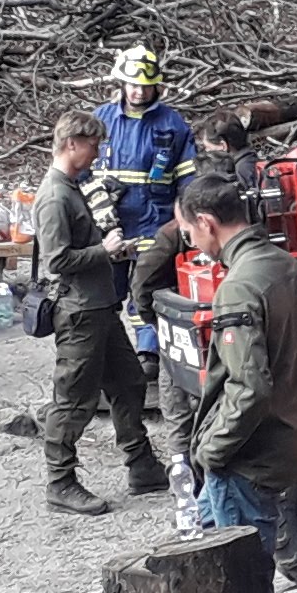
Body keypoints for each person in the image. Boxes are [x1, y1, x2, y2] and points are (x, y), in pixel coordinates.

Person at [176, 169, 297, 593]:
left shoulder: (239, 287)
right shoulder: (286, 267)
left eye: (190, 233)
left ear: (208, 223)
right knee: (228, 587)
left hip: (246, 460)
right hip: (282, 446)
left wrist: (212, 449)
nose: (192, 243)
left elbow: (248, 388)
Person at [32, 112, 166, 514]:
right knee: (73, 401)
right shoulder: (54, 196)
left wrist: (112, 250)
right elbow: (57, 260)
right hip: (78, 314)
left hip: (100, 308)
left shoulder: (72, 187)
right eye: (93, 145)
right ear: (72, 143)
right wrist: (103, 252)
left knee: (129, 385)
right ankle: (60, 482)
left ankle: (142, 465)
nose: (98, 152)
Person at [95, 46, 198, 368]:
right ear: (122, 83)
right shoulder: (103, 119)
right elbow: (84, 170)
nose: (139, 91)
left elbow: (187, 176)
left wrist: (185, 217)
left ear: (157, 85)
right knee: (108, 292)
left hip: (155, 220)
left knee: (148, 288)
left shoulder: (172, 123)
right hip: (110, 221)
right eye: (133, 84)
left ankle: (148, 355)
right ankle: (112, 354)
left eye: (145, 85)